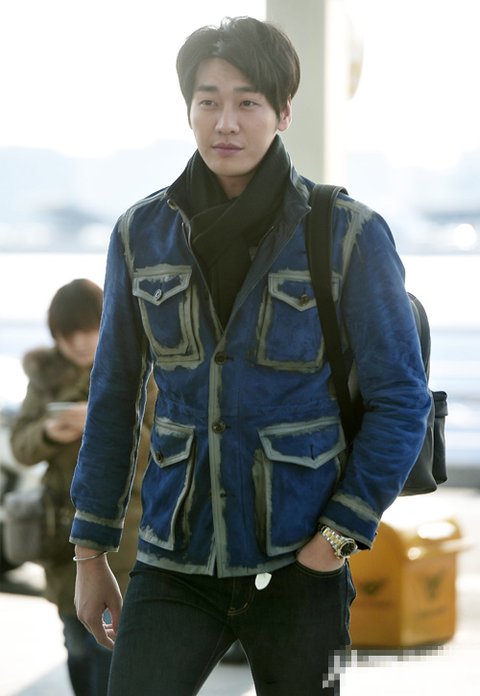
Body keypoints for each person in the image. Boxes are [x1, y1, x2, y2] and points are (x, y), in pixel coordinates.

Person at [70, 17, 431, 696]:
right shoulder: (141, 233)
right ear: (188, 110)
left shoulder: (346, 232)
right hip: (174, 558)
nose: (225, 122)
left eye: (247, 102)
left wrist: (336, 540)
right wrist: (91, 552)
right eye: (208, 101)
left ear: (283, 112)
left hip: (301, 562)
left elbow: (401, 399)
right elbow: (114, 396)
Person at [10, 278, 155, 696]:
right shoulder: (46, 377)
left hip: (123, 535)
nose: (78, 342)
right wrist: (50, 432)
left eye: (87, 330)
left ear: (106, 323)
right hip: (60, 536)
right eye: (67, 333)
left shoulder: (137, 369)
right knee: (75, 644)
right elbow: (20, 446)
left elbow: (161, 448)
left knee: (111, 649)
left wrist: (101, 421)